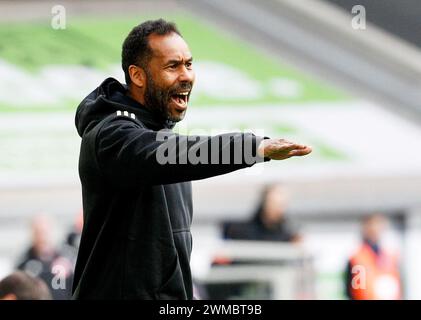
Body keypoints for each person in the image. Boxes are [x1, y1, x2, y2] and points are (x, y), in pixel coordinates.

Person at [73, 19, 312, 299]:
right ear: (138, 76)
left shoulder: (158, 132)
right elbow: (170, 153)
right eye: (173, 66)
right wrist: (254, 147)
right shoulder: (111, 135)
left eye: (189, 64)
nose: (186, 76)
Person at [345, 214, 401, 300]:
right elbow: (350, 291)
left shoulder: (391, 257)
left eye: (378, 226)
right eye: (371, 227)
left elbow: (397, 286)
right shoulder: (356, 259)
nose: (375, 230)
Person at [16, 215, 74, 300]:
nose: (42, 237)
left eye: (44, 232)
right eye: (38, 232)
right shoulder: (23, 264)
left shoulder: (66, 262)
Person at [223, 183, 301, 242]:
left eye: (281, 205)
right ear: (264, 202)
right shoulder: (241, 231)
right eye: (273, 203)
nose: (278, 209)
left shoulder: (289, 234)